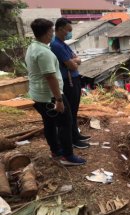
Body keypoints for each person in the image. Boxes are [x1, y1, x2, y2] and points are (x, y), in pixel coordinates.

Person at [25, 18, 86, 166]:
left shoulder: (33, 47)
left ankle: (56, 150)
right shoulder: (44, 52)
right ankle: (67, 156)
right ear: (46, 33)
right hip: (49, 96)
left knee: (50, 123)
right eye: (51, 31)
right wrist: (58, 100)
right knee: (65, 122)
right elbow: (50, 77)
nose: (52, 33)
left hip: (39, 94)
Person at [50, 18, 90, 149]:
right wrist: (75, 61)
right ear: (61, 29)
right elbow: (73, 65)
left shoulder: (63, 43)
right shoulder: (56, 45)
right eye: (69, 30)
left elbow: (76, 58)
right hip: (68, 82)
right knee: (70, 111)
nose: (70, 33)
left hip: (74, 80)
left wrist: (75, 61)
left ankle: (76, 135)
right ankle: (73, 139)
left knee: (74, 110)